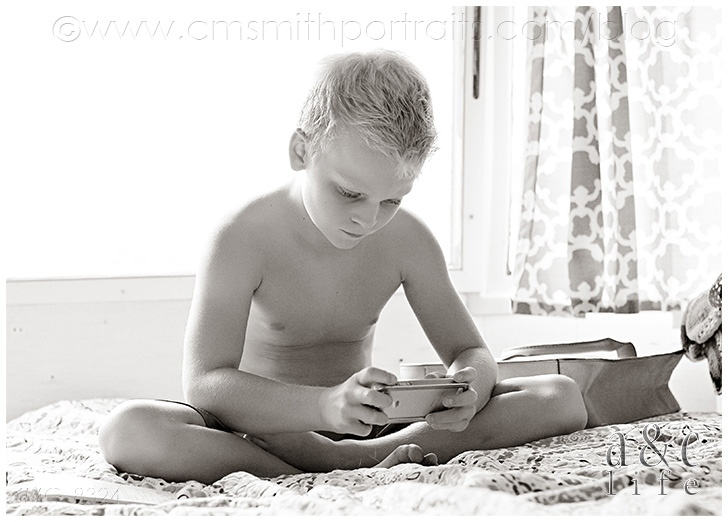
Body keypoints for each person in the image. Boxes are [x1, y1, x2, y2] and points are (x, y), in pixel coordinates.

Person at [98, 50, 587, 484]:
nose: (367, 219)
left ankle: (356, 459)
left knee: (559, 396)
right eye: (350, 193)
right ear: (301, 151)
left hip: (369, 429)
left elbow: (469, 351)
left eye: (392, 200)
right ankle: (325, 467)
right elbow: (205, 383)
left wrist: (470, 389)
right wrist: (323, 406)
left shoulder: (409, 241)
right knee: (128, 430)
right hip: (261, 430)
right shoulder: (241, 237)